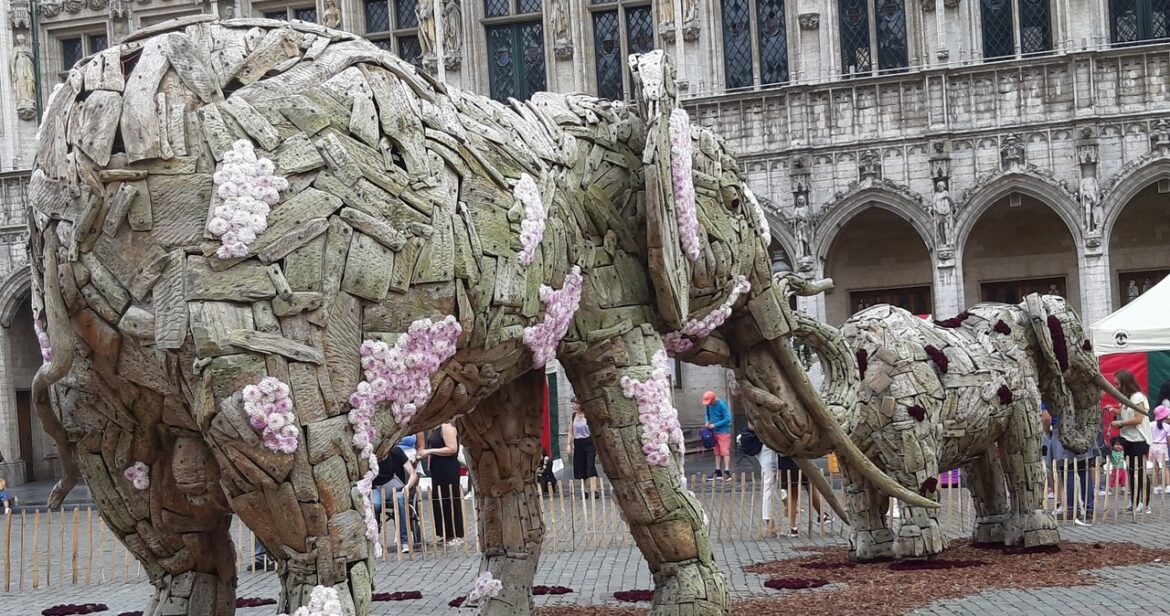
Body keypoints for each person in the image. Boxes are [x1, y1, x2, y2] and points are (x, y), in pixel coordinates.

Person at [1109, 369, 1151, 513]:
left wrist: (1120, 423)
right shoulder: (1125, 398)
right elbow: (1125, 413)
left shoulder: (1137, 397)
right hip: (1129, 438)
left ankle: (1145, 503)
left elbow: (1138, 419)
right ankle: (1134, 501)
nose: (1115, 387)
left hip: (1139, 439)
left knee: (1139, 471)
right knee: (1132, 470)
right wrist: (1115, 410)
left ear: (1125, 383)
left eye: (1117, 384)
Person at [420, 423, 465, 546]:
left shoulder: (447, 426)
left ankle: (457, 534)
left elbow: (452, 449)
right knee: (440, 499)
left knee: (450, 498)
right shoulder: (434, 428)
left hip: (447, 468)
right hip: (437, 469)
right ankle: (447, 533)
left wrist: (430, 451)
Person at [373, 444, 420, 553]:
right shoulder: (371, 453)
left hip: (395, 487)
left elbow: (413, 474)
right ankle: (374, 540)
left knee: (399, 499)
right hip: (376, 488)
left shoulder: (397, 451)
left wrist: (407, 487)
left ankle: (404, 540)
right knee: (375, 504)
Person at [1047, 417, 1096, 524]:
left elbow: (1046, 417)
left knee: (1069, 471)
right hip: (1081, 430)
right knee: (1083, 471)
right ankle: (1089, 508)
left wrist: (1048, 432)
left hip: (1063, 431)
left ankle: (1072, 509)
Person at [779, 455, 823, 537]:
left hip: (785, 461)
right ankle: (792, 526)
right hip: (798, 459)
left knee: (793, 494)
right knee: (795, 493)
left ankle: (792, 527)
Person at [565, 398, 599, 498]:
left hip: (589, 442)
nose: (572, 406)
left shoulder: (587, 415)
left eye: (574, 404)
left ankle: (594, 489)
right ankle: (585, 491)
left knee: (590, 465)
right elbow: (570, 431)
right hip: (578, 443)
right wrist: (568, 444)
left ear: (579, 404)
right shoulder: (573, 416)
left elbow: (594, 430)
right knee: (581, 466)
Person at [703, 391, 733, 481]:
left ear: (713, 399)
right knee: (716, 452)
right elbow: (706, 414)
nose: (709, 404)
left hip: (723, 432)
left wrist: (715, 424)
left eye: (710, 402)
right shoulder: (708, 405)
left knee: (725, 451)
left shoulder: (721, 404)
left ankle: (727, 472)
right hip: (713, 432)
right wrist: (707, 421)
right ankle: (718, 471)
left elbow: (728, 419)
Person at [1151, 406, 1170, 496]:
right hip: (1162, 446)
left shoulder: (1151, 424)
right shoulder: (1167, 426)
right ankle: (1168, 486)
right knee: (1164, 467)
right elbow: (1168, 439)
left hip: (1153, 446)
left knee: (1155, 468)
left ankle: (1155, 487)